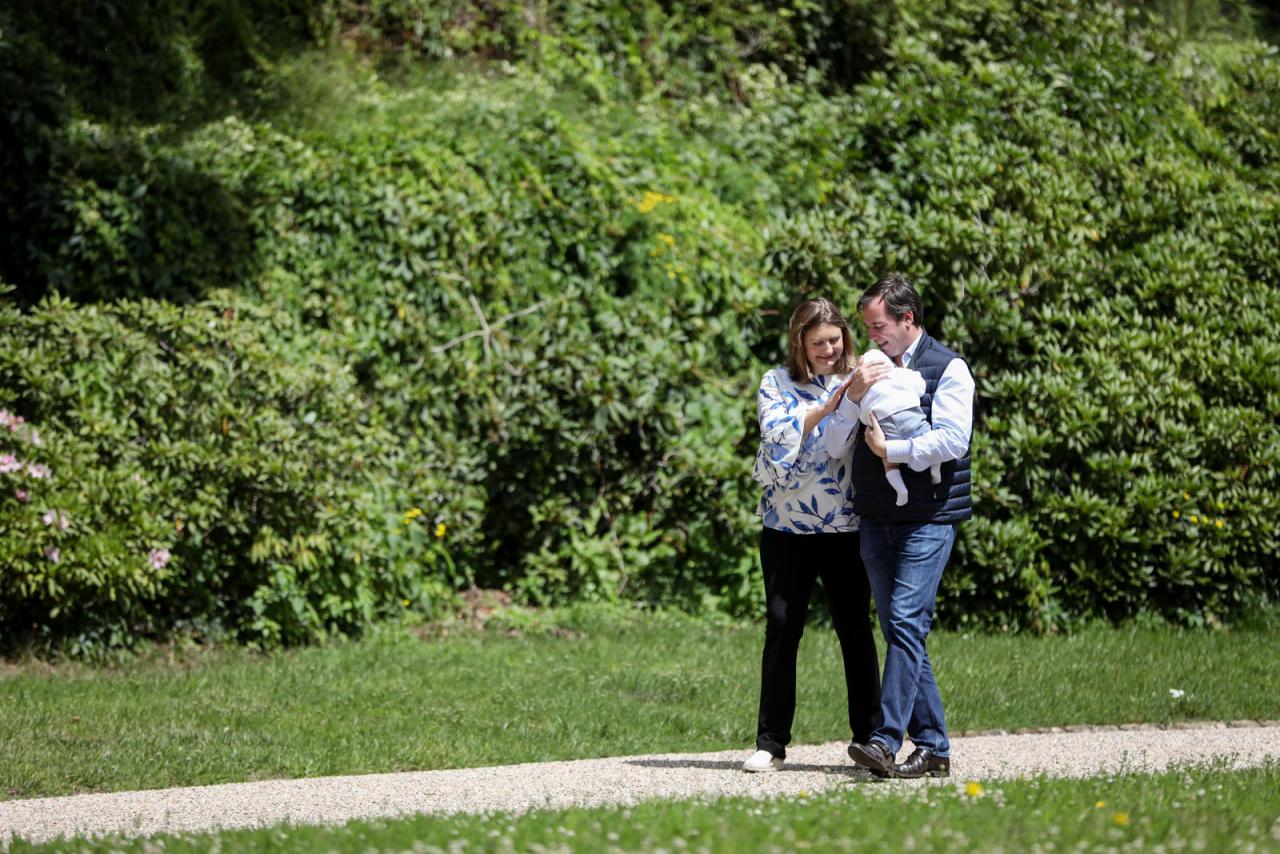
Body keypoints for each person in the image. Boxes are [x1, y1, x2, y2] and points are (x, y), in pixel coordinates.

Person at [824, 274, 974, 779]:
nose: (871, 337)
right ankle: (933, 748)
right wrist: (851, 397)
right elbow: (834, 444)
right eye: (867, 328)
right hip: (875, 519)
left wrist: (898, 452)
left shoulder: (948, 368)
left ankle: (885, 741)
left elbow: (953, 440)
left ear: (907, 320)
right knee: (899, 630)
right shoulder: (866, 371)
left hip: (928, 519)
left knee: (906, 625)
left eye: (878, 326)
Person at [743, 297, 881, 773]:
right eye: (818, 342)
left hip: (845, 526)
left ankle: (870, 740)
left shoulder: (857, 374)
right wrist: (825, 408)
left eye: (835, 339)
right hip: (787, 528)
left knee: (855, 631)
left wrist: (853, 394)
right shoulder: (775, 382)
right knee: (783, 629)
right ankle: (770, 743)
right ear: (799, 342)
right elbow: (776, 433)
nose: (828, 349)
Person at [855, 348, 941, 506]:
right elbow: (920, 386)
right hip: (912, 417)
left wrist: (869, 423)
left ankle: (901, 491)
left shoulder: (865, 391)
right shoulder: (898, 374)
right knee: (931, 442)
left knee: (889, 462)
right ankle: (935, 469)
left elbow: (864, 416)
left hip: (887, 426)